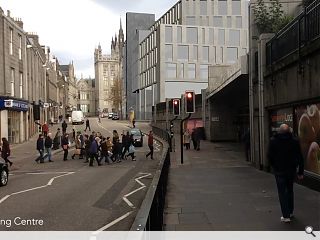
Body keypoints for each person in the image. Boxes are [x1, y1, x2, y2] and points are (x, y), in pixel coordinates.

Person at [267, 124, 304, 223]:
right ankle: (291, 212)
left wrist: (273, 166)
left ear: (279, 131)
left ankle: (286, 215)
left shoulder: (273, 141)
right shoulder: (294, 141)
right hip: (291, 170)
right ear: (289, 131)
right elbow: (300, 157)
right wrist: (300, 171)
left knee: (282, 192)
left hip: (279, 170)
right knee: (290, 190)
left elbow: (269, 156)